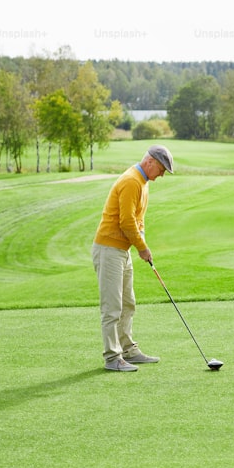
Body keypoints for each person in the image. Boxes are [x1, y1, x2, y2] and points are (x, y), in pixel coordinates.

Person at [92, 144, 174, 371]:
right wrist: (142, 248)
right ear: (150, 162)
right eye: (161, 169)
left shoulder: (143, 183)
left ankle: (128, 350)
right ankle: (112, 357)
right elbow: (126, 222)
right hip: (109, 249)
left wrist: (141, 242)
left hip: (122, 251)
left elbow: (138, 220)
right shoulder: (131, 181)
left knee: (128, 303)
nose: (162, 175)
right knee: (112, 307)